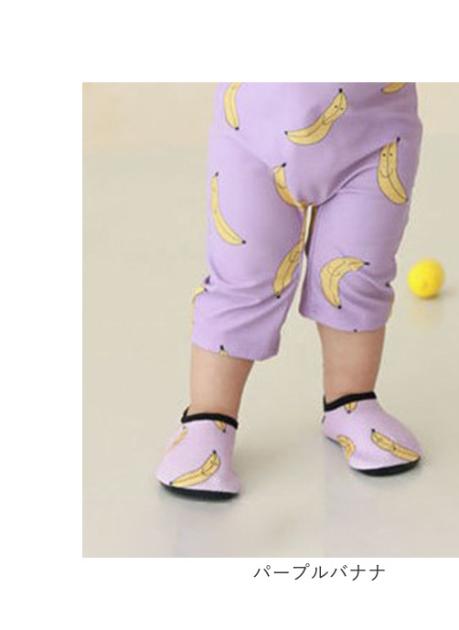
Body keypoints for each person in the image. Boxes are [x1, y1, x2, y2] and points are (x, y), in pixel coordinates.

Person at [155, 83, 425, 499]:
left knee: (356, 273)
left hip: (376, 132)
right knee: (242, 273)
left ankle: (350, 401)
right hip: (253, 130)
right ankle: (208, 417)